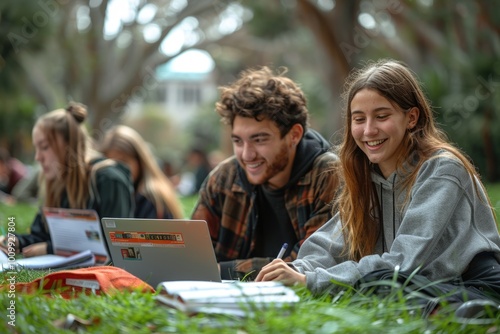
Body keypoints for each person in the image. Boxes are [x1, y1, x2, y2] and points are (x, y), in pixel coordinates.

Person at [256, 60, 500, 316]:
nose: (369, 130)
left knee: (378, 281)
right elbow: (330, 244)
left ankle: (473, 314)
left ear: (412, 118)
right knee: (376, 284)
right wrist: (298, 270)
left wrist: (311, 283)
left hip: (475, 286)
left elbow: (404, 263)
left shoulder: (442, 169)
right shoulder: (365, 176)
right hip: (414, 287)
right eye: (359, 119)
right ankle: (442, 313)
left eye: (382, 116)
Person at [191, 66, 340, 280]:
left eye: (259, 139)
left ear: (294, 135)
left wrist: (223, 270)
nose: (247, 154)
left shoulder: (327, 174)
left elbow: (315, 261)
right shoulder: (224, 178)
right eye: (238, 141)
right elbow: (194, 256)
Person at [0, 102, 134, 257]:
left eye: (44, 147)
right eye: (36, 149)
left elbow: (114, 246)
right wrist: (14, 241)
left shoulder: (109, 181)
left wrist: (51, 249)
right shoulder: (55, 184)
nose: (38, 157)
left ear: (69, 146)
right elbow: (41, 236)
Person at [99, 125, 184, 219]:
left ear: (140, 161)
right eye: (111, 164)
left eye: (123, 162)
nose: (117, 170)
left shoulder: (151, 198)